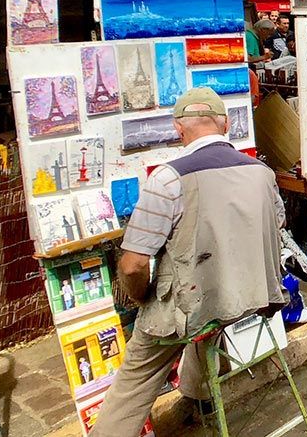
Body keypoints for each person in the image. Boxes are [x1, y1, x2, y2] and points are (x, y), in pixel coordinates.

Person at [90, 88, 286, 437]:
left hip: (193, 307)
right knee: (206, 312)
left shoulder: (167, 179)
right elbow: (278, 222)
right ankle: (200, 398)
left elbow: (133, 265)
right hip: (248, 297)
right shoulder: (261, 172)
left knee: (135, 377)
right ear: (225, 125)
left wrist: (141, 298)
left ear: (179, 129)